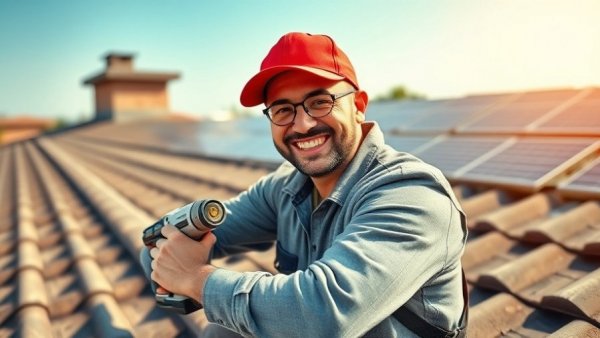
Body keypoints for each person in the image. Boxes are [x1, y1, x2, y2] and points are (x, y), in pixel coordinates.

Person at [142, 32, 468, 337]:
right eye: (283, 110)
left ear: (358, 106)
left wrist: (195, 280)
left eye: (319, 102)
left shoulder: (411, 194)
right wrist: (167, 250)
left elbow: (323, 315)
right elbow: (164, 244)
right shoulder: (286, 187)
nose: (303, 124)